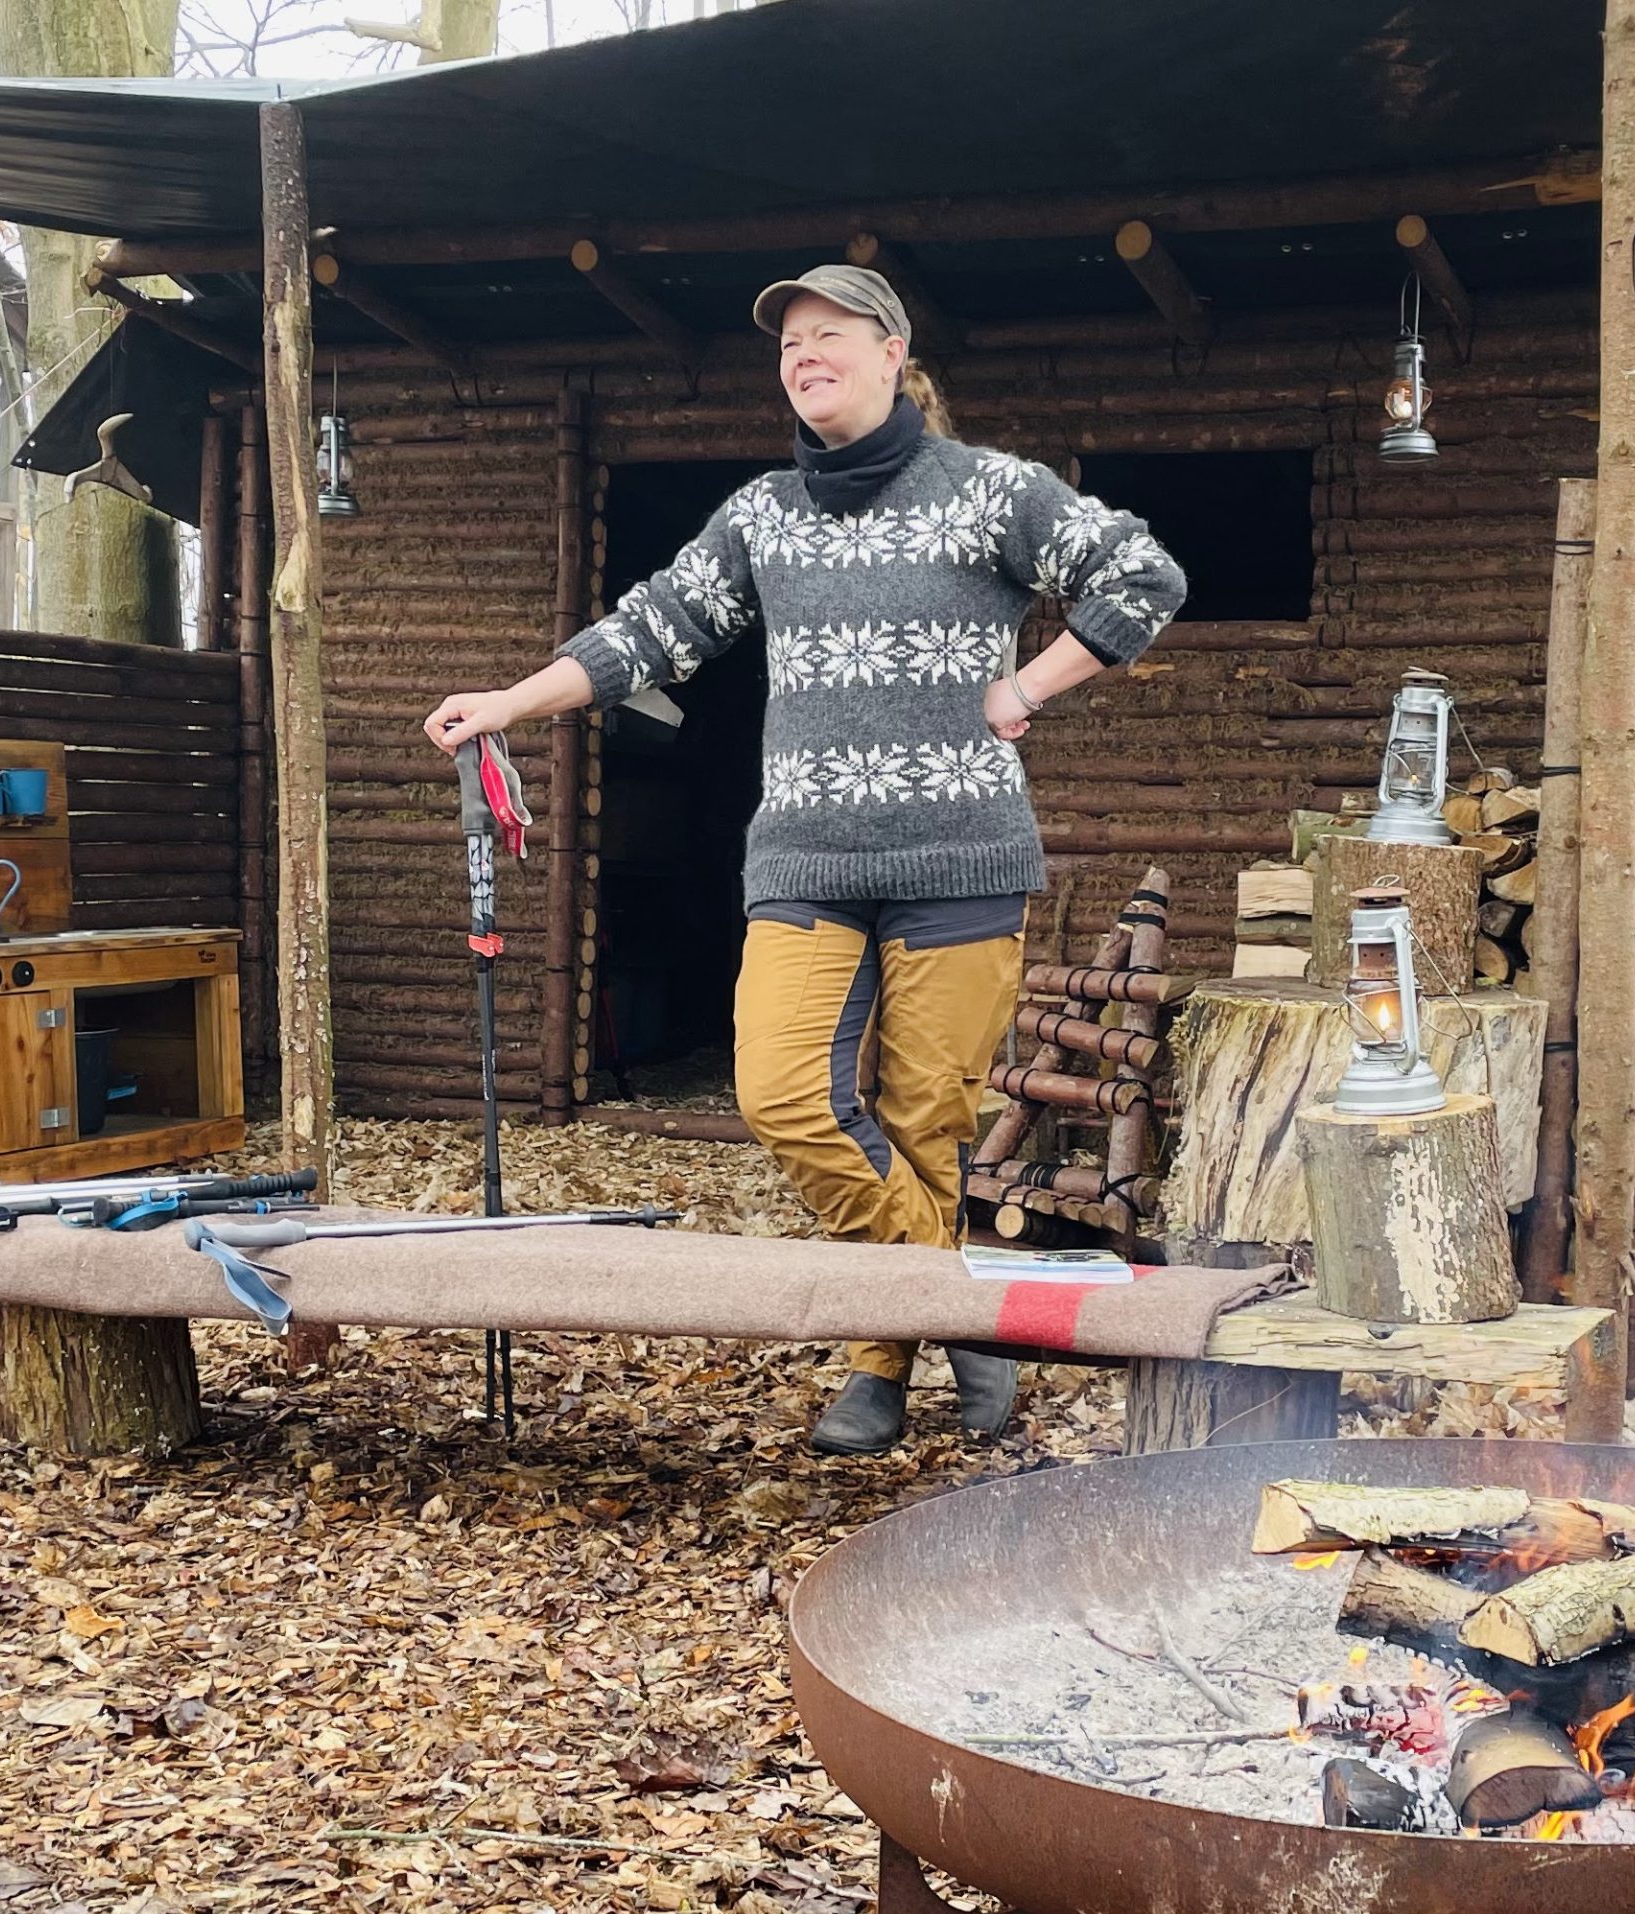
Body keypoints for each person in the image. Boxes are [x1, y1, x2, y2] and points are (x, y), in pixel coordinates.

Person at [426, 264, 1186, 1455]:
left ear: (892, 354)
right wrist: (511, 702)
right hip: (805, 861)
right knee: (783, 1094)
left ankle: (878, 1369)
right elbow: (651, 628)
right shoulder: (763, 514)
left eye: (829, 333)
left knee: (925, 1121)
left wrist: (1028, 688)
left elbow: (1142, 576)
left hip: (959, 856)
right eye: (788, 343)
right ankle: (962, 1317)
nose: (804, 355)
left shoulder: (991, 490)